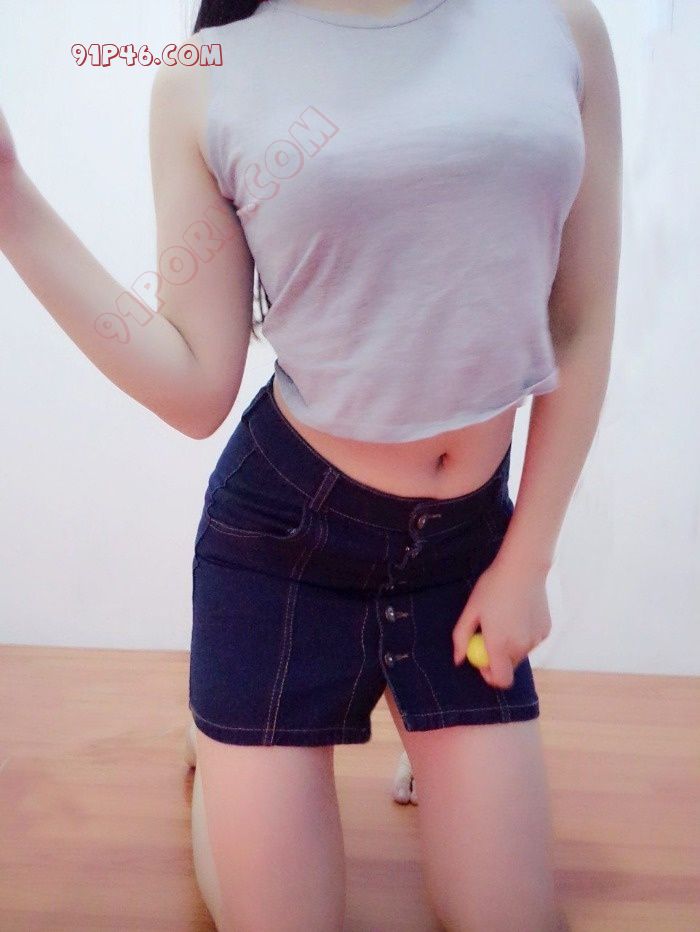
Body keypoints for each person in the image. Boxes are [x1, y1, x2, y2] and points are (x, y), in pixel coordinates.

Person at [0, 0, 621, 928]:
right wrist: (11, 202)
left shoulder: (558, 26)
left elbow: (578, 321)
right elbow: (196, 385)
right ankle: (223, 746)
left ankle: (344, 730)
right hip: (285, 545)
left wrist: (526, 561)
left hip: (465, 558)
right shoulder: (206, 76)